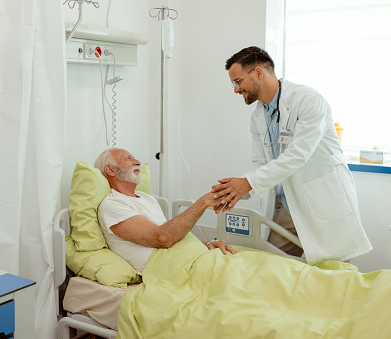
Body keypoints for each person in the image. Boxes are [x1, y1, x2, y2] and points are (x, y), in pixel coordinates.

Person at [211, 46, 372, 264]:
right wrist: (236, 191)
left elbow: (298, 155)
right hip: (286, 205)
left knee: (333, 276)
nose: (236, 90)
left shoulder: (308, 100)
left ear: (258, 72)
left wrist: (247, 183)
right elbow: (260, 163)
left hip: (321, 200)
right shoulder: (257, 118)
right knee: (274, 267)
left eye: (237, 82)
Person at [94, 147, 237, 274]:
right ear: (110, 169)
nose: (137, 162)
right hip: (170, 268)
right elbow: (162, 239)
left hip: (189, 257)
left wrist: (205, 244)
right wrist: (203, 202)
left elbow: (172, 235)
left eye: (135, 157)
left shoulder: (147, 198)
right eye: (128, 158)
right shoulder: (112, 205)